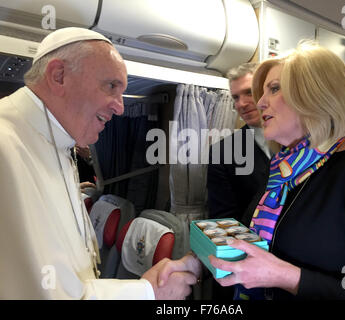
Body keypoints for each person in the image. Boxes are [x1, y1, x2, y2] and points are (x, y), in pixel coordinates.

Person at [0, 27, 200, 299]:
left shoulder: (59, 143)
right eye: (111, 86)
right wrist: (147, 292)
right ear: (59, 76)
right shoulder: (6, 143)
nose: (119, 107)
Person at [208, 41, 345, 299]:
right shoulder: (283, 169)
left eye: (274, 89)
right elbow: (245, 238)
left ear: (316, 96)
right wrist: (193, 260)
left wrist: (287, 277)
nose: (260, 102)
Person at [207, 63, 275, 225]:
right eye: (236, 97)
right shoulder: (223, 153)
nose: (241, 104)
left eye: (249, 93)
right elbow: (224, 221)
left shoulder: (300, 142)